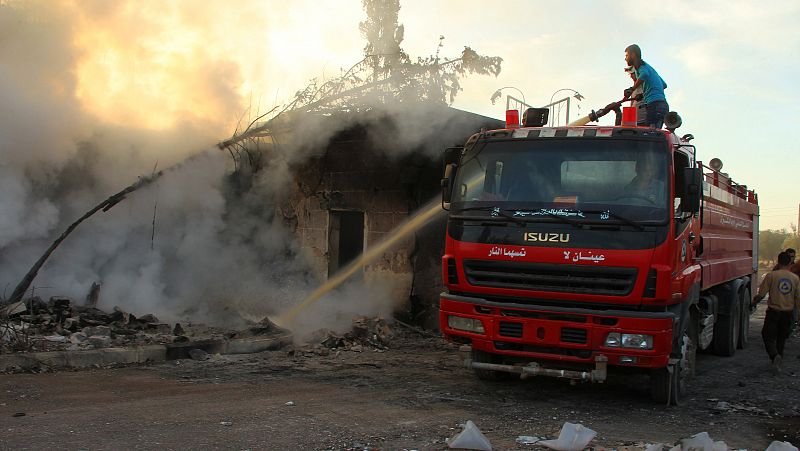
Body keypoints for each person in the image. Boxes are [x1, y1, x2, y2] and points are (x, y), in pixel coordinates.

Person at [753, 251, 800, 373]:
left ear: (778, 261)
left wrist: (753, 303)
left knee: (767, 335)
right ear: (790, 262)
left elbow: (761, 294)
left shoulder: (771, 276)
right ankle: (778, 363)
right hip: (787, 313)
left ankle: (774, 356)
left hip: (773, 312)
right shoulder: (795, 279)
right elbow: (798, 298)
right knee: (781, 338)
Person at [623, 44, 668, 129]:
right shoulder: (649, 68)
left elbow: (644, 74)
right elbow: (664, 85)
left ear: (633, 55)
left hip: (654, 106)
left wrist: (632, 89)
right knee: (654, 134)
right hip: (662, 105)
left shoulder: (641, 67)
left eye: (627, 55)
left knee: (650, 134)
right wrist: (644, 95)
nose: (625, 58)